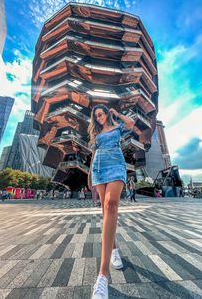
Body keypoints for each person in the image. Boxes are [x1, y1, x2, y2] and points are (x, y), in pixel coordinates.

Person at [88, 104, 134, 299]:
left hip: (116, 164)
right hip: (99, 167)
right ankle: (113, 249)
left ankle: (102, 276)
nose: (99, 118)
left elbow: (131, 123)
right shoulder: (96, 134)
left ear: (107, 113)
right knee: (105, 211)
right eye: (96, 116)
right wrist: (89, 174)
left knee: (111, 205)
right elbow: (93, 154)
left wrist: (118, 114)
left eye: (101, 114)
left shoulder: (117, 128)